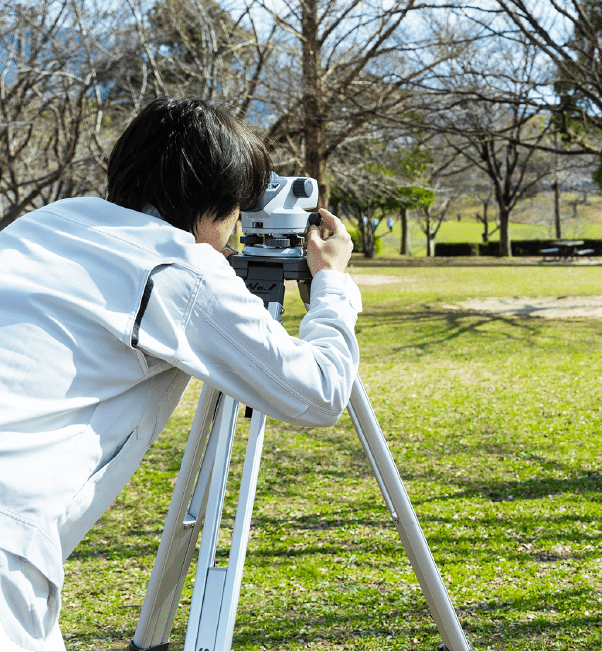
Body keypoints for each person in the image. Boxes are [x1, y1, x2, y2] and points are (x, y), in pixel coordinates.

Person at [0, 98, 361, 650]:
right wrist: (332, 286)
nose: (235, 236)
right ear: (212, 206)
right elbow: (318, 393)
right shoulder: (180, 270)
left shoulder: (45, 223)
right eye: (237, 214)